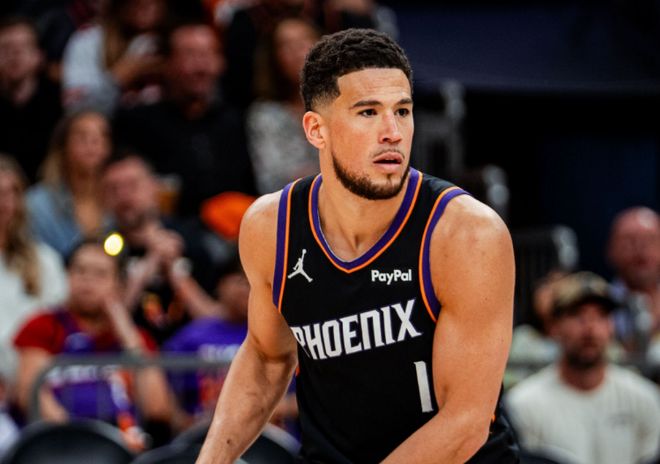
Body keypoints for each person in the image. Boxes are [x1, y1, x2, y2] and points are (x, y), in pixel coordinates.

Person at [197, 28, 517, 464]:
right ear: (316, 130)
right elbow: (267, 358)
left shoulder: (466, 234)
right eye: (368, 112)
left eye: (402, 111)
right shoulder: (272, 227)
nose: (392, 132)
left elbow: (464, 424)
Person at [12, 238, 172, 449]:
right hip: (59, 446)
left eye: (100, 274)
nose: (87, 280)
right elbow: (29, 392)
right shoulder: (43, 324)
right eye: (80, 271)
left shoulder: (134, 337)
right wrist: (78, 441)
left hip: (125, 448)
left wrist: (126, 333)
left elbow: (156, 407)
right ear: (67, 276)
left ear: (119, 284)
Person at [506, 271, 660, 464]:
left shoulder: (644, 399)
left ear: (611, 326)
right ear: (554, 326)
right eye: (577, 314)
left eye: (601, 315)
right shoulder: (523, 405)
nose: (590, 328)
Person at [113, 21, 256, 218]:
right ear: (166, 64)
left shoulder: (237, 121)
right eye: (190, 55)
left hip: (239, 226)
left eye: (208, 55)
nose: (201, 67)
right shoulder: (138, 123)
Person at [102, 153, 231, 344]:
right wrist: (149, 264)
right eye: (113, 189)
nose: (124, 195)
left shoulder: (191, 240)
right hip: (130, 354)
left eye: (132, 185)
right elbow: (102, 328)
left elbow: (215, 320)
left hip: (194, 353)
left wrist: (173, 269)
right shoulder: (101, 251)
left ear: (154, 187)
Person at [0, 155, 68, 394]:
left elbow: (58, 323)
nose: (4, 203)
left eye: (11, 193)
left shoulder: (45, 260)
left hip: (36, 384)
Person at [247, 16, 321, 194]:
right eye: (287, 45)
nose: (297, 51)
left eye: (303, 41)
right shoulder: (264, 115)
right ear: (274, 58)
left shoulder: (339, 105)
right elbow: (269, 182)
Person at [26, 110, 112, 257]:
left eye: (102, 136)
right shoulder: (36, 205)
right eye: (82, 136)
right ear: (63, 146)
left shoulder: (118, 198)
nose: (92, 142)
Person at [61, 0, 167, 115]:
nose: (144, 3)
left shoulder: (176, 41)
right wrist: (117, 79)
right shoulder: (89, 39)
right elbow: (76, 110)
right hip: (109, 122)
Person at [0, 17, 62, 183]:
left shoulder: (58, 102)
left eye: (23, 47)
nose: (15, 55)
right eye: (5, 48)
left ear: (39, 56)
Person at [606, 206, 660, 356]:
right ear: (611, 250)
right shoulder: (595, 305)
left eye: (650, 240)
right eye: (629, 240)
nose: (640, 248)